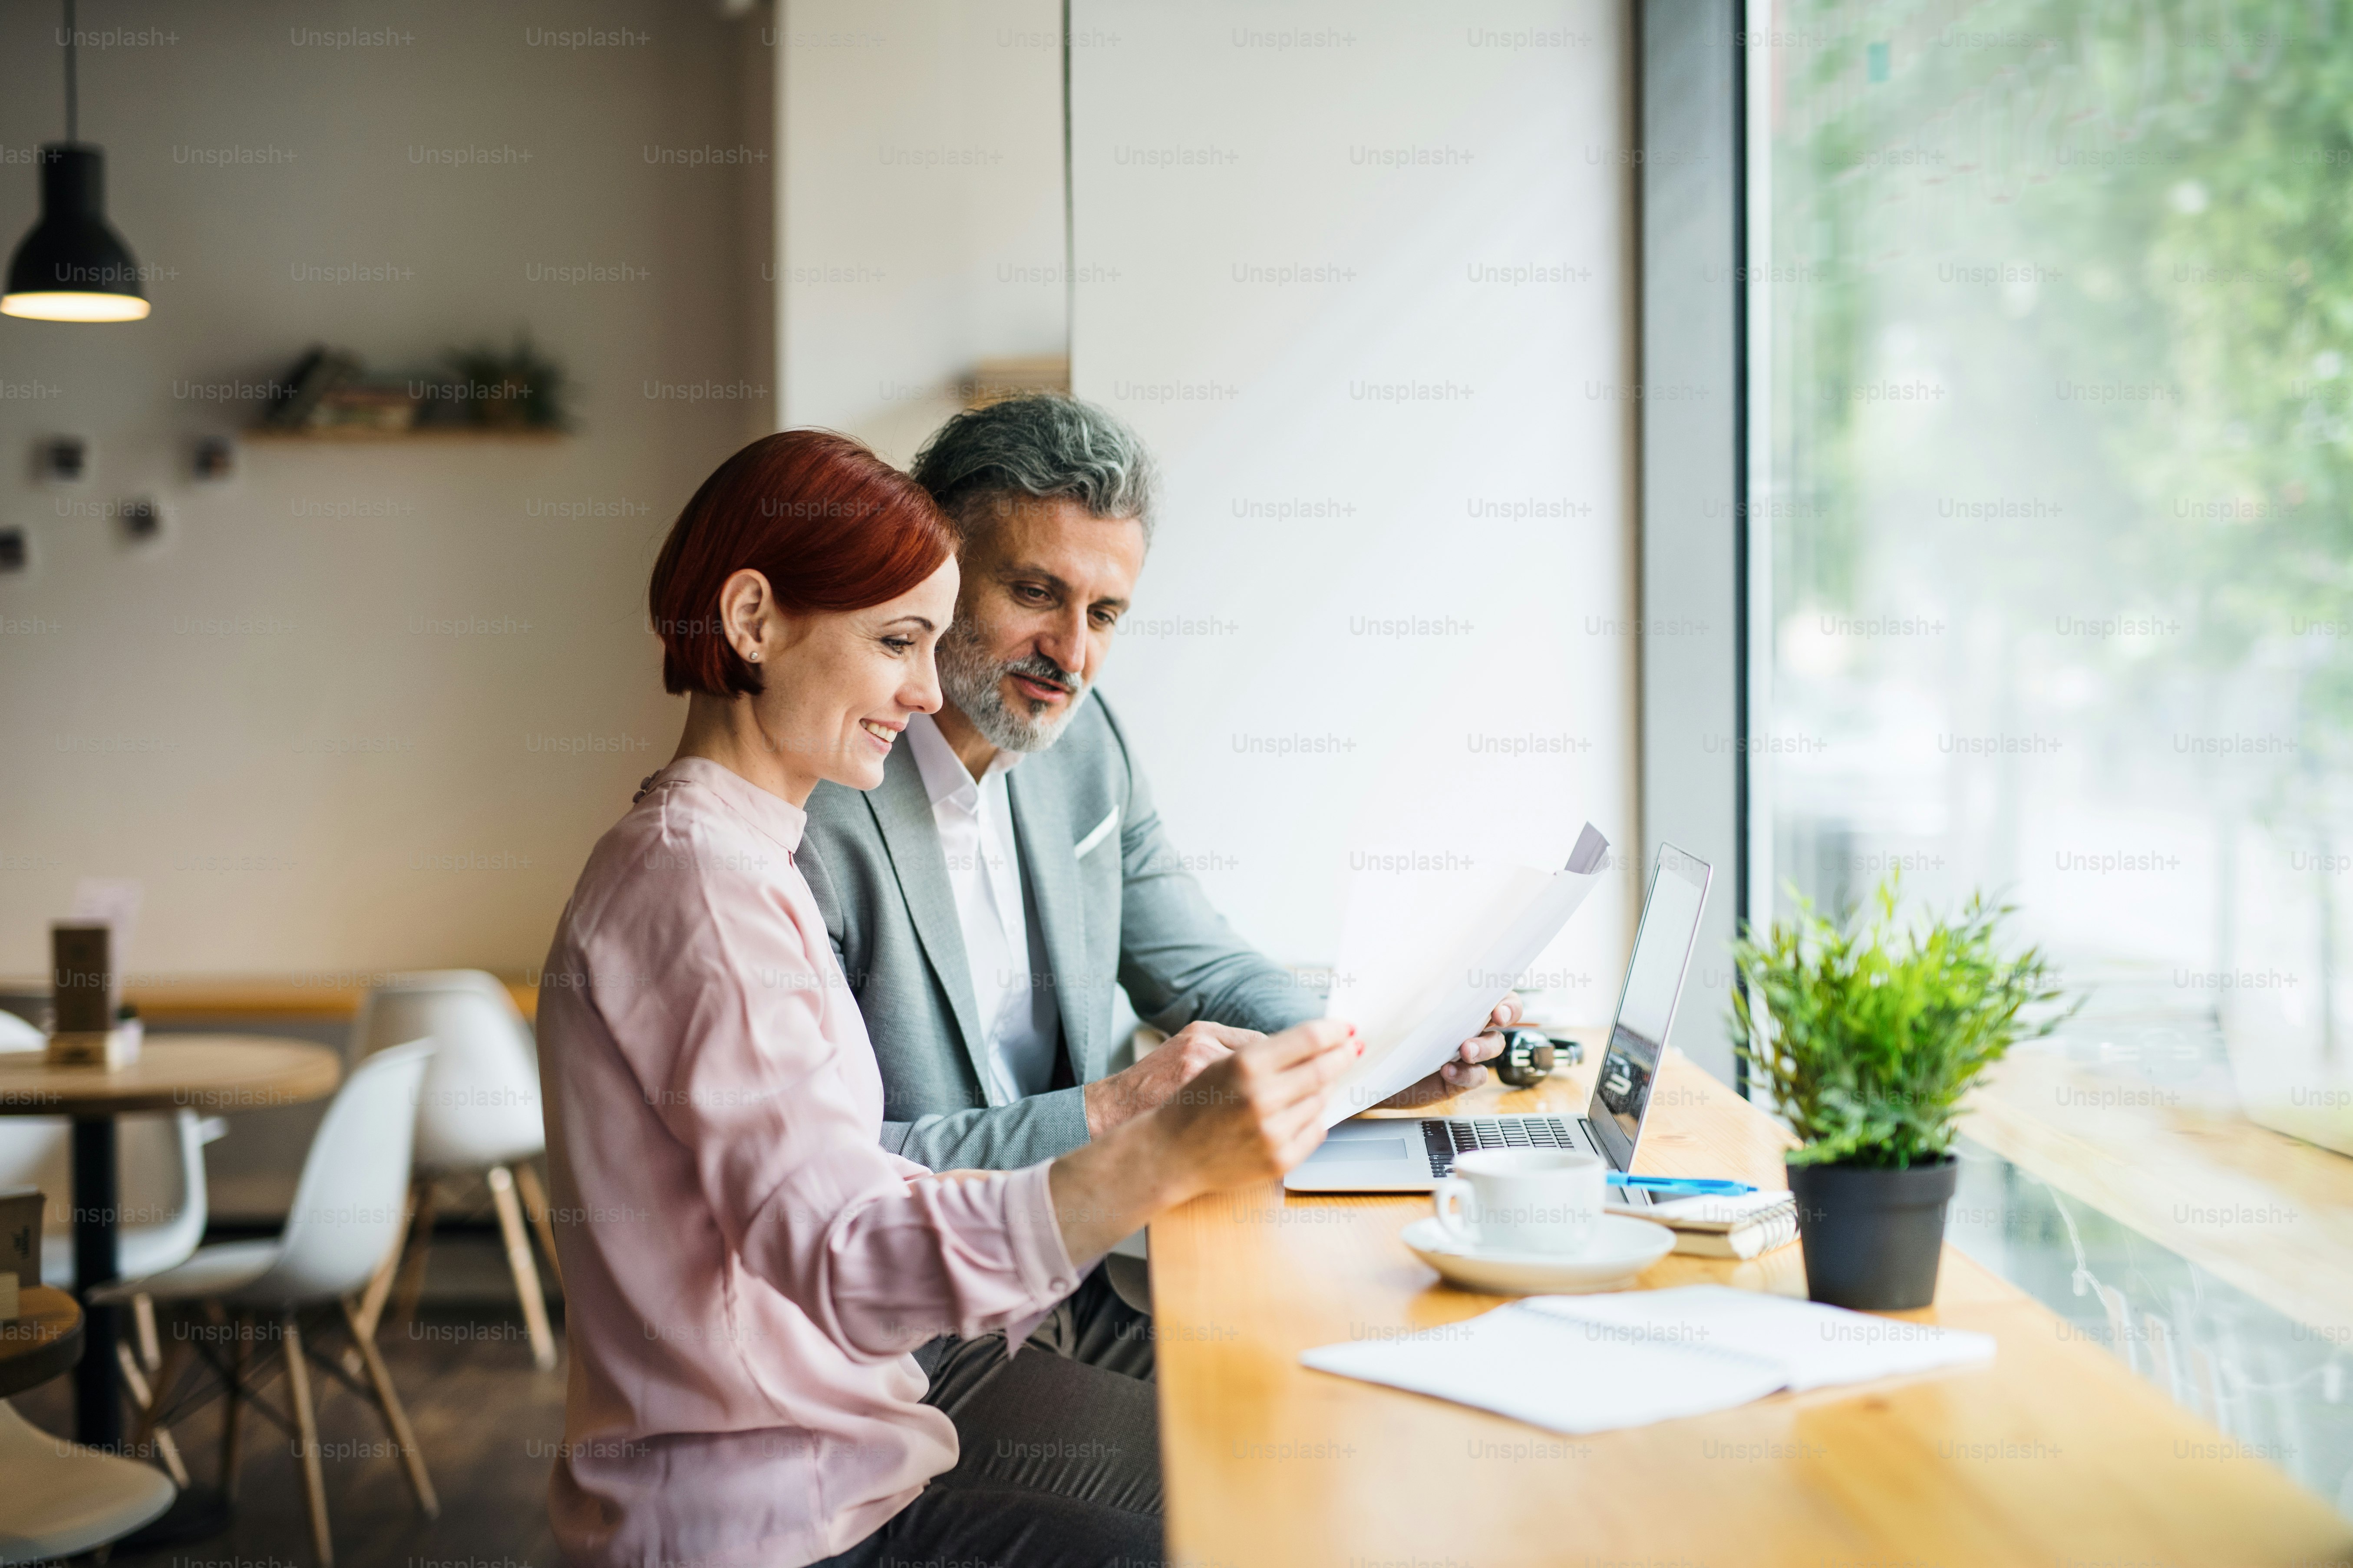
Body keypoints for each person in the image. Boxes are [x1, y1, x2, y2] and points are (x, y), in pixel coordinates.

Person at [535, 428, 1357, 1568]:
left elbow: (839, 1184)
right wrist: (1151, 1147)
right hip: (774, 1507)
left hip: (846, 1438)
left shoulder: (733, 858)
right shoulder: (704, 890)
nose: (923, 691)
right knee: (1239, 1511)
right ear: (753, 620)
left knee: (1265, 1457)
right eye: (896, 642)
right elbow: (844, 1253)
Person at [798, 395, 1519, 1371]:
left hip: (1098, 1276)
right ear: (936, 565)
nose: (1073, 654)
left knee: (1371, 1379)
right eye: (1036, 594)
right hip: (921, 1340)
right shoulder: (817, 807)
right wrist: (1118, 1109)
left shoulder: (1084, 748)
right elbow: (831, 1183)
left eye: (1104, 614)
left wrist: (1374, 1048)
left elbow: (1209, 971)